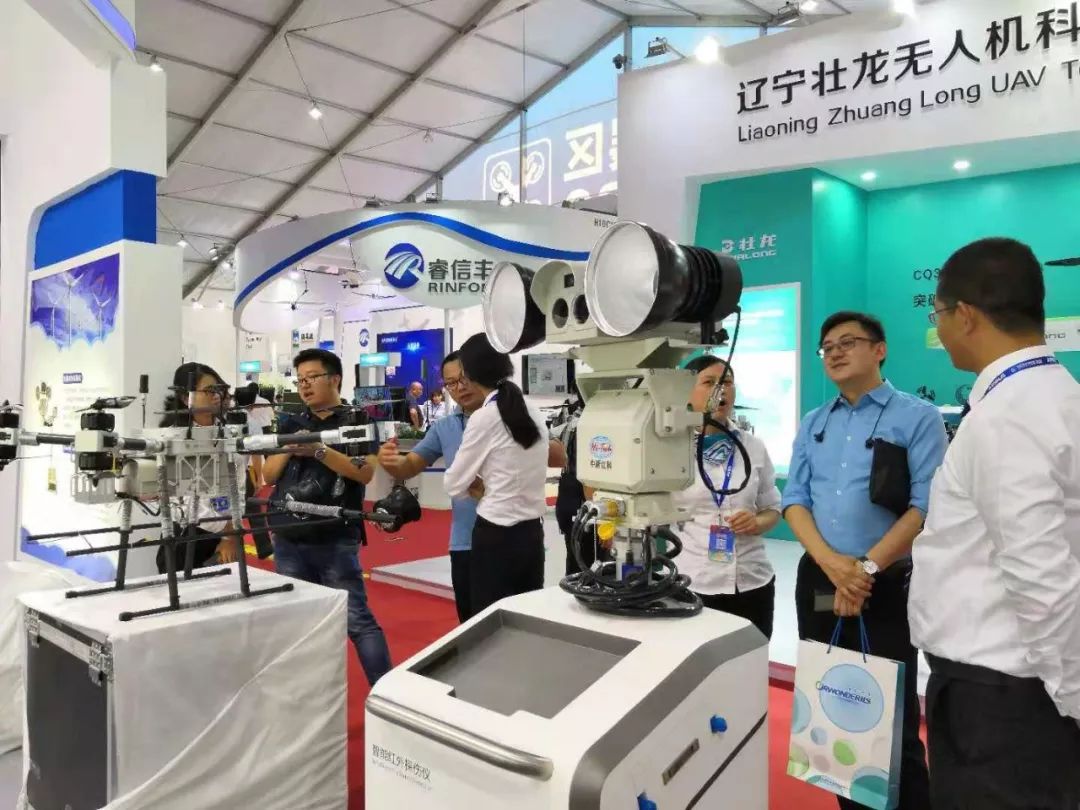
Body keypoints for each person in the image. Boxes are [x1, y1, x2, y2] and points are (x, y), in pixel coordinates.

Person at [909, 238, 1080, 809]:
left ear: (964, 315)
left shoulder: (1005, 417)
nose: (939, 328)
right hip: (1020, 690)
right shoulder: (1058, 395)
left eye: (937, 313)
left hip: (1003, 701)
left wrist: (1072, 700)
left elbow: (1042, 575)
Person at [782, 311, 947, 810]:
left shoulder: (918, 417)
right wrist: (833, 565)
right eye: (827, 346)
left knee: (891, 717)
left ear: (879, 350)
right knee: (832, 705)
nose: (834, 352)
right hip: (821, 577)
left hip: (887, 583)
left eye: (847, 342)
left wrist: (864, 571)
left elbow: (926, 506)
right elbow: (794, 500)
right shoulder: (815, 422)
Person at [377, 351, 565, 622]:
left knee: (522, 621)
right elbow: (409, 466)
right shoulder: (444, 427)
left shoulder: (517, 413)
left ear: (480, 376)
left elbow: (556, 457)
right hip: (467, 541)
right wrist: (391, 462)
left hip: (515, 533)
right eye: (450, 383)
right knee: (473, 624)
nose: (459, 388)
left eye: (463, 379)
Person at [262, 348, 391, 686]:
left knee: (357, 621)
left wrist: (319, 450)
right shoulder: (291, 421)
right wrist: (291, 446)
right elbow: (268, 476)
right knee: (300, 624)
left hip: (334, 535)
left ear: (335, 379)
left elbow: (364, 473)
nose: (304, 385)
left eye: (312, 377)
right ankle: (312, 694)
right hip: (288, 535)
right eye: (300, 380)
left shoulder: (358, 420)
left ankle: (386, 694)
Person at [671, 356, 781, 639]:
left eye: (727, 382)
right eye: (709, 382)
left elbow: (773, 508)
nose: (721, 390)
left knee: (752, 660)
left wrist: (757, 522)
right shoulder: (669, 449)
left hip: (752, 581)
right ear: (686, 392)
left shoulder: (753, 446)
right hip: (695, 583)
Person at [443, 334, 549, 615]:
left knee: (489, 620)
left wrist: (483, 488)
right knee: (526, 617)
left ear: (470, 374)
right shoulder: (533, 411)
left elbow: (453, 483)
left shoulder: (485, 417)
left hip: (496, 536)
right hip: (532, 535)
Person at [156, 363, 243, 573]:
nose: (216, 396)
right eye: (209, 390)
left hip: (223, 537)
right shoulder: (171, 438)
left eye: (219, 389)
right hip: (183, 536)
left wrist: (230, 537)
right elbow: (178, 498)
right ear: (185, 397)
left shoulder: (230, 434)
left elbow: (239, 489)